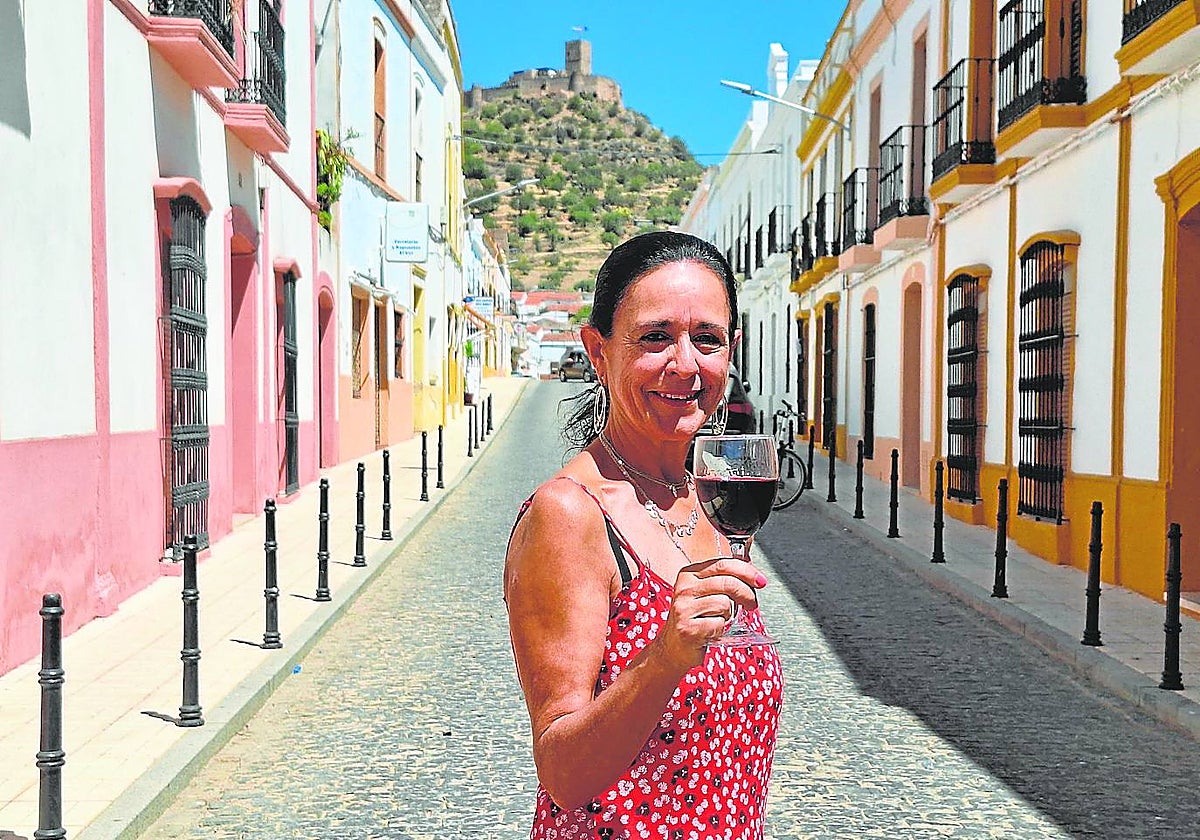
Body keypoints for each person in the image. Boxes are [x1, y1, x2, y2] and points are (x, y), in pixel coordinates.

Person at [504, 231, 783, 839]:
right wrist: (663, 660)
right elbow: (563, 773)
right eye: (655, 337)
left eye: (706, 340)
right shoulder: (570, 515)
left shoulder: (712, 503)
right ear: (598, 352)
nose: (685, 364)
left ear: (729, 354)